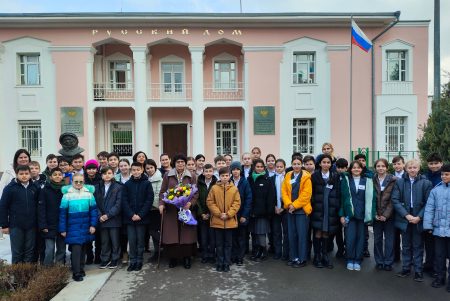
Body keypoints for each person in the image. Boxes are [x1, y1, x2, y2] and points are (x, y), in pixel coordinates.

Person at [392, 159, 432, 282]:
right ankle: (406, 268)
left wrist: (419, 217)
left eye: (415, 167)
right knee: (406, 245)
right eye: (410, 168)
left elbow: (428, 203)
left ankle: (418, 271)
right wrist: (406, 215)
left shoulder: (426, 183)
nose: (412, 170)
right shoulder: (400, 182)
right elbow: (395, 200)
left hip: (418, 218)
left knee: (418, 245)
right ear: (406, 169)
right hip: (405, 218)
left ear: (419, 168)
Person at [159, 154, 199, 269]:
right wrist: (162, 204)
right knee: (172, 234)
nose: (180, 164)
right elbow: (162, 192)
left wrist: (190, 203)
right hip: (171, 210)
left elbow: (195, 193)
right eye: (178, 162)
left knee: (186, 233)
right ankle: (173, 258)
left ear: (185, 163)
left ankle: (187, 258)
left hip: (186, 209)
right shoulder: (168, 175)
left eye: (182, 162)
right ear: (174, 164)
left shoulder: (191, 176)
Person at [59, 173, 98, 281]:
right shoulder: (67, 195)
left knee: (83, 249)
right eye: (76, 181)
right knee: (76, 250)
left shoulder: (89, 194)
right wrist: (62, 229)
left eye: (81, 181)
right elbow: (62, 214)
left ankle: (81, 268)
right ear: (72, 182)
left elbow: (93, 211)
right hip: (72, 227)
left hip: (85, 226)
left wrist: (93, 225)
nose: (78, 184)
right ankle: (76, 272)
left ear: (83, 182)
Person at [339, 160, 376, 272]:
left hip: (362, 215)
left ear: (361, 169)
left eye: (358, 167)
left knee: (360, 239)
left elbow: (371, 199)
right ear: (350, 169)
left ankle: (358, 260)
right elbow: (342, 199)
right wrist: (342, 215)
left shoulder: (367, 181)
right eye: (354, 167)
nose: (356, 169)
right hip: (349, 215)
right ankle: (350, 259)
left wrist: (370, 215)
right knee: (350, 238)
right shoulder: (346, 181)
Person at [0, 165, 39, 264]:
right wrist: (4, 225)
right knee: (17, 252)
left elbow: (39, 206)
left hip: (31, 225)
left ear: (30, 174)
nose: (24, 176)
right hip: (16, 225)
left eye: (26, 173)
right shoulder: (10, 188)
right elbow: (3, 206)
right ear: (16, 175)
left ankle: (26, 276)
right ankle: (18, 277)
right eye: (21, 174)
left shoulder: (35, 187)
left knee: (29, 251)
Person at [207, 167, 241, 272]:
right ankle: (219, 262)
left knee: (228, 244)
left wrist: (229, 214)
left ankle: (226, 263)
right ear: (219, 176)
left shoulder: (234, 188)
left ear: (229, 176)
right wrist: (219, 213)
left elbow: (237, 202)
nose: (225, 177)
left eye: (227, 175)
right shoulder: (214, 188)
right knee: (219, 244)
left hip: (229, 221)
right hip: (218, 221)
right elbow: (210, 202)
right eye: (222, 176)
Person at [311, 154, 341, 269]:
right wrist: (315, 204)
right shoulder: (314, 176)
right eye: (324, 162)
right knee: (318, 232)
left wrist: (336, 207)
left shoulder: (335, 176)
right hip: (318, 209)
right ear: (319, 164)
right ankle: (317, 256)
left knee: (326, 232)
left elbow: (338, 194)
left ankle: (325, 255)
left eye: (328, 162)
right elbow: (311, 194)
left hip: (330, 209)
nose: (326, 164)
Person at [122, 162, 153, 272]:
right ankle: (133, 261)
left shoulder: (147, 184)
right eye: (134, 170)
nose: (136, 172)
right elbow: (124, 201)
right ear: (131, 171)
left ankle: (139, 260)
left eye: (138, 170)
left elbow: (149, 200)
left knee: (140, 241)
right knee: (132, 241)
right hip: (130, 219)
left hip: (142, 218)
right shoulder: (127, 185)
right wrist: (131, 214)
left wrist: (140, 215)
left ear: (142, 170)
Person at [423, 163, 450, 291]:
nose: (444, 176)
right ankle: (439, 278)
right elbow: (429, 209)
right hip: (438, 230)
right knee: (439, 255)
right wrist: (428, 225)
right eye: (442, 174)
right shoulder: (436, 190)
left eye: (447, 174)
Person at [282, 155, 312, 268]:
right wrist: (289, 204)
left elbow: (306, 195)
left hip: (301, 211)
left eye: (298, 164)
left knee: (302, 235)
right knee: (291, 235)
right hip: (290, 210)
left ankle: (302, 259)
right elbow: (284, 191)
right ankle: (293, 257)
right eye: (294, 164)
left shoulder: (306, 177)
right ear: (292, 164)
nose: (296, 166)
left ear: (302, 165)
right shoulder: (288, 175)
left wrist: (294, 205)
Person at [95, 166, 123, 269]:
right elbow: (95, 203)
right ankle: (105, 259)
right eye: (105, 173)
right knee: (104, 241)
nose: (107, 175)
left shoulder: (119, 187)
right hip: (101, 218)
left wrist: (108, 215)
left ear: (113, 174)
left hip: (114, 218)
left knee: (115, 240)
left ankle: (115, 259)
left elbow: (118, 204)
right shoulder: (97, 187)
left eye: (109, 173)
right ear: (101, 175)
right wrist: (100, 215)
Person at [372, 158, 397, 271]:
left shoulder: (393, 180)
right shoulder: (372, 179)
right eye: (378, 166)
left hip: (389, 216)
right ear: (375, 168)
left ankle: (388, 262)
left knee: (389, 240)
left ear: (387, 167)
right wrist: (375, 214)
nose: (380, 168)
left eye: (383, 166)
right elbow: (370, 198)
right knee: (377, 239)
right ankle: (379, 261)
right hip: (376, 216)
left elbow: (393, 200)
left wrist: (385, 215)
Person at [38, 167, 66, 266]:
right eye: (55, 175)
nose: (57, 176)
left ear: (62, 176)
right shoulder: (45, 190)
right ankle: (47, 271)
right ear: (50, 177)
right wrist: (43, 225)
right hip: (49, 225)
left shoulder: (65, 191)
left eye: (59, 174)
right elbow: (41, 209)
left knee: (61, 249)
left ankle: (59, 270)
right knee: (49, 249)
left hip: (62, 224)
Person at [424, 152, 444, 276]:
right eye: (431, 163)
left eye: (436, 163)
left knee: (439, 245)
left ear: (441, 163)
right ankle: (428, 264)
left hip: (440, 214)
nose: (433, 166)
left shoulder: (444, 177)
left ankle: (437, 269)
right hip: (427, 213)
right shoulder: (424, 176)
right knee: (428, 242)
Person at [230, 161, 252, 266]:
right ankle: (233, 256)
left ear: (240, 170)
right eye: (233, 169)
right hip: (231, 214)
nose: (235, 171)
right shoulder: (228, 181)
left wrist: (244, 215)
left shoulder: (245, 182)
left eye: (237, 169)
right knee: (232, 237)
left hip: (242, 214)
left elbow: (248, 199)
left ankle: (240, 257)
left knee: (241, 237)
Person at [197, 163, 217, 264]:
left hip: (213, 215)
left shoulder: (216, 183)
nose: (208, 173)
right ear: (203, 172)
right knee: (203, 237)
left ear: (213, 172)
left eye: (210, 171)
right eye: (206, 171)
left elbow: (216, 200)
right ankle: (204, 255)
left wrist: (210, 213)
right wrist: (202, 213)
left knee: (212, 237)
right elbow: (197, 199)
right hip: (202, 215)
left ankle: (212, 255)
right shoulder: (199, 182)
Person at [144, 159, 163, 262]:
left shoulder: (159, 179)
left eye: (151, 167)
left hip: (156, 209)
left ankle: (163, 243)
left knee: (154, 230)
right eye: (147, 168)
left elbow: (158, 195)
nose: (150, 170)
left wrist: (149, 205)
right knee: (152, 231)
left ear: (155, 167)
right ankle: (157, 251)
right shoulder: (146, 178)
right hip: (148, 210)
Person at [271, 159, 289, 261]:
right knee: (276, 232)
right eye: (277, 167)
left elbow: (289, 194)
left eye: (281, 167)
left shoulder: (288, 178)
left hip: (285, 209)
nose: (279, 168)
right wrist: (275, 207)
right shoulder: (271, 178)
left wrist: (283, 207)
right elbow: (270, 195)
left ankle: (286, 253)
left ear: (284, 167)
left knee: (286, 232)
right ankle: (278, 252)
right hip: (275, 210)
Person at [391, 155, 405, 262]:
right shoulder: (390, 177)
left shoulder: (408, 175)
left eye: (399, 163)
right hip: (393, 209)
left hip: (405, 210)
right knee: (394, 235)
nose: (397, 166)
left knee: (406, 236)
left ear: (403, 164)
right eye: (395, 164)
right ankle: (396, 257)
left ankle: (407, 259)